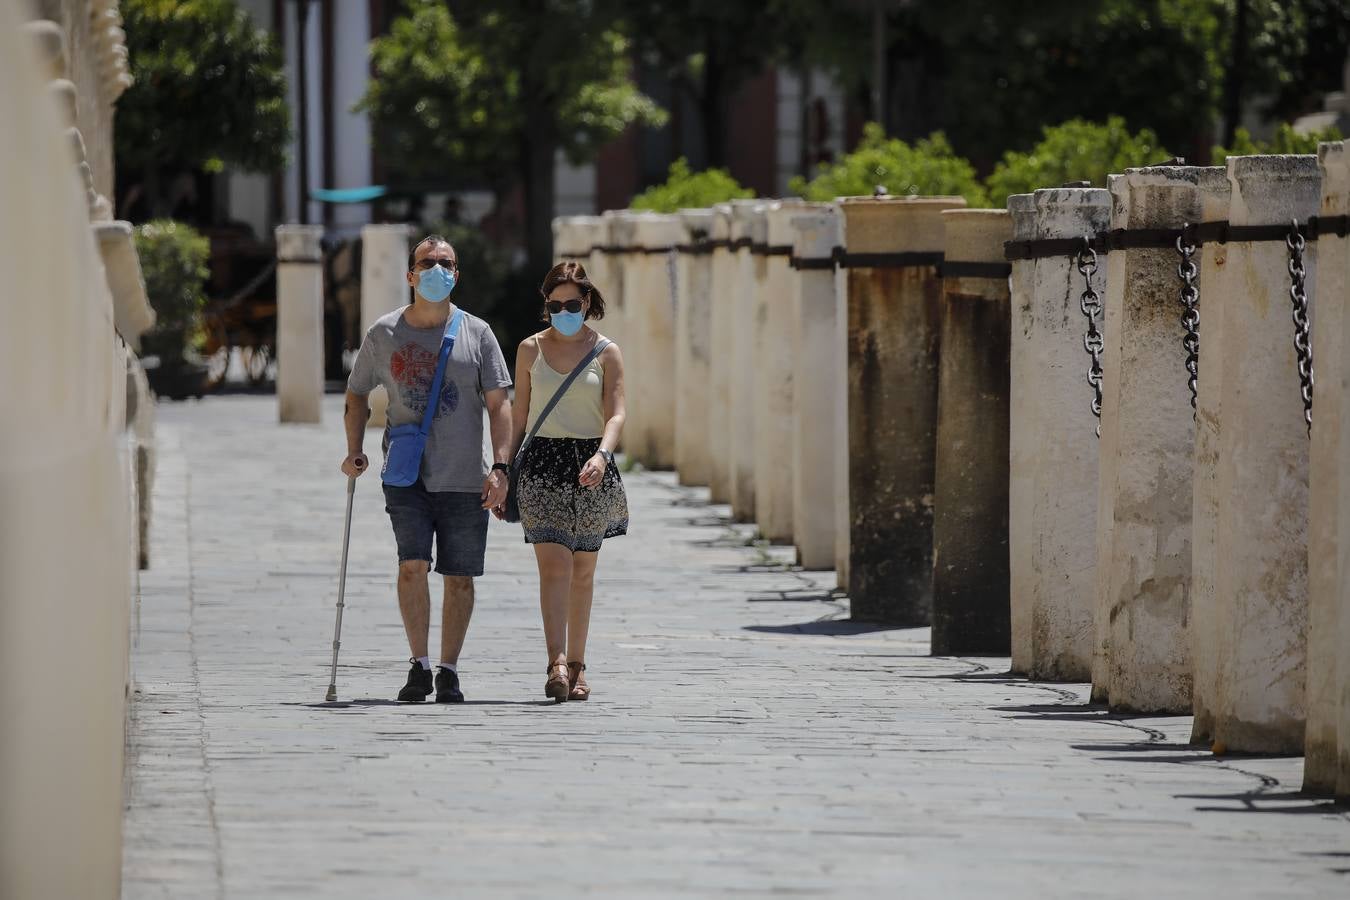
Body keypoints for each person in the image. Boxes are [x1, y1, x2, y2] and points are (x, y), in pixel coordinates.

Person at [342, 235, 513, 702]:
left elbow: (500, 404)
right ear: (410, 274)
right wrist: (354, 448)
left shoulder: (478, 333)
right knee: (412, 566)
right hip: (406, 474)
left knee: (460, 577)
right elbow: (357, 392)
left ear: (456, 275)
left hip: (465, 476)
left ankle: (448, 669)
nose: (437, 269)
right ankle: (418, 665)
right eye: (428, 262)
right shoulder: (384, 333)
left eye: (446, 263)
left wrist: (500, 467)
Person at [499, 261, 628, 703]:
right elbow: (519, 416)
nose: (564, 311)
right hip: (542, 463)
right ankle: (555, 661)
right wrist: (501, 467)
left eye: (573, 304)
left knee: (584, 571)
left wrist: (603, 453)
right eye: (555, 305)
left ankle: (578, 664)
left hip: (591, 462)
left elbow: (616, 412)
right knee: (554, 566)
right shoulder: (529, 349)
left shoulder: (606, 351)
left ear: (587, 301)